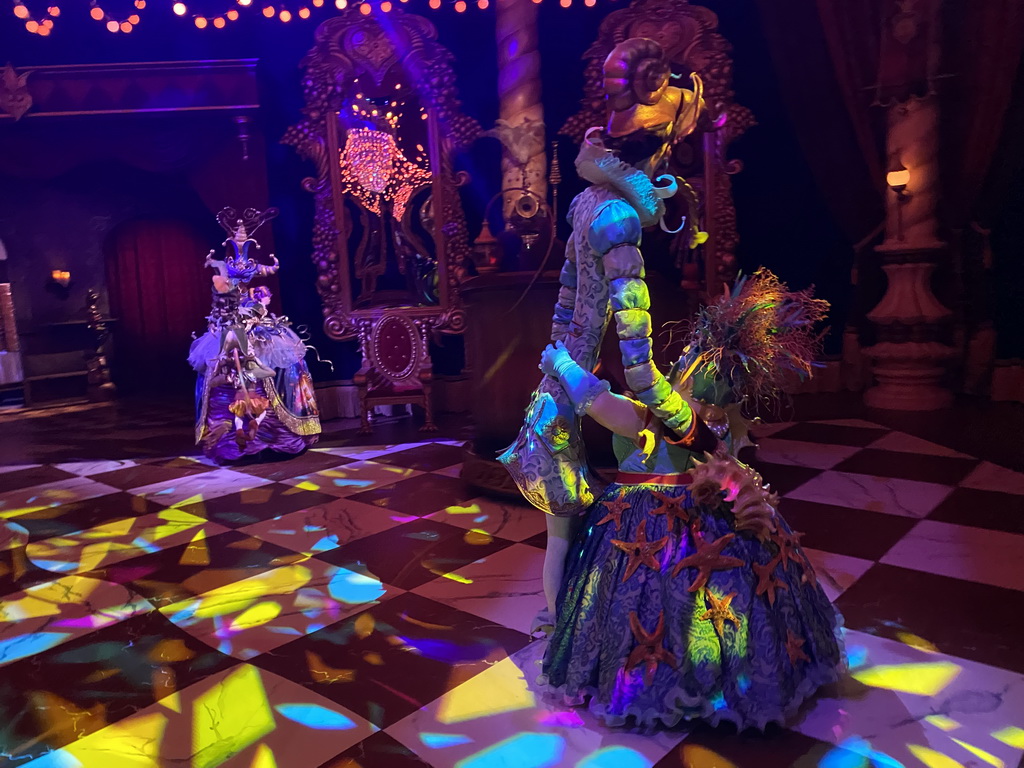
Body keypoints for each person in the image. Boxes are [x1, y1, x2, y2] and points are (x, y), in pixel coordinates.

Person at [535, 269, 846, 731]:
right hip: (692, 512)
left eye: (689, 359)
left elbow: (600, 403)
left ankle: (657, 682)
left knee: (658, 604)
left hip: (643, 521)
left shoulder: (672, 416)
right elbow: (610, 392)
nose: (682, 359)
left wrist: (560, 364)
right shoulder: (713, 426)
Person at [499, 37, 706, 635]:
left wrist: (559, 364)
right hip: (567, 390)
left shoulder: (587, 202)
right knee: (565, 531)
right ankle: (568, 635)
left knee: (566, 532)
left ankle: (568, 618)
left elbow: (565, 302)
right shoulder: (616, 218)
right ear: (659, 152)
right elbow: (639, 367)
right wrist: (687, 421)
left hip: (560, 379)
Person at [189, 207, 321, 464]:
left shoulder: (255, 300)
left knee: (273, 374)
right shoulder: (224, 296)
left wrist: (253, 319)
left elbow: (259, 306)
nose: (239, 284)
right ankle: (235, 439)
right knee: (228, 377)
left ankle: (272, 437)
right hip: (231, 333)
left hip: (256, 334)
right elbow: (220, 310)